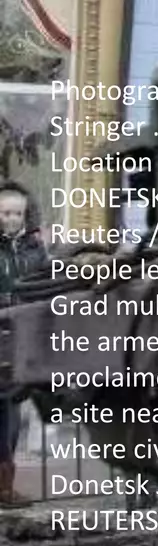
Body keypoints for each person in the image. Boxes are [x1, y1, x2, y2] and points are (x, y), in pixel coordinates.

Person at [0, 180, 47, 507]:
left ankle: (5, 485)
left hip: (21, 338)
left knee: (12, 410)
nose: (11, 219)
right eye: (5, 213)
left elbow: (45, 286)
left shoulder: (35, 249)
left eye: (17, 213)